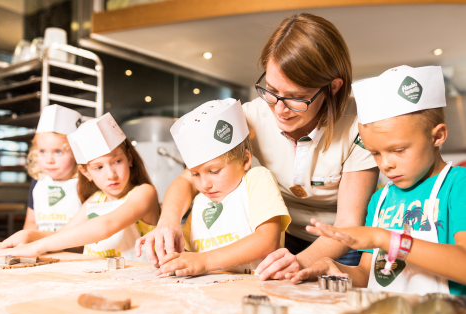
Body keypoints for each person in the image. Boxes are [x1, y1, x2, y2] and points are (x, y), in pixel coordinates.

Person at [136, 13, 379, 279]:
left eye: (296, 98)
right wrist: (168, 222)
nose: (280, 109)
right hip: (280, 238)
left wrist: (299, 263)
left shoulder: (360, 125)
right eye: (272, 91)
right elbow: (187, 178)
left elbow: (348, 223)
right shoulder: (248, 118)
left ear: (333, 87)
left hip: (340, 244)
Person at [288, 65, 466, 295]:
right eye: (375, 153)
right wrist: (337, 270)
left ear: (438, 136)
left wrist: (385, 239)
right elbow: (368, 274)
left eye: (399, 150)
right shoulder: (380, 200)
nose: (385, 164)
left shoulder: (458, 185)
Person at [0, 113, 159, 261]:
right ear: (86, 173)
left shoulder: (144, 193)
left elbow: (106, 225)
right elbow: (61, 236)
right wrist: (28, 235)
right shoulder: (96, 199)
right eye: (98, 167)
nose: (111, 175)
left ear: (129, 158)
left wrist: (36, 247)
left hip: (137, 278)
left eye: (117, 161)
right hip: (101, 280)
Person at [150, 99, 290, 276]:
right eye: (195, 174)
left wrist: (205, 261)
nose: (204, 184)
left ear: (245, 160)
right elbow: (187, 252)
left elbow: (267, 240)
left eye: (215, 171)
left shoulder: (256, 180)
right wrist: (164, 248)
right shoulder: (201, 201)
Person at [23, 104, 82, 232]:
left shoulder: (83, 183)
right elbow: (31, 223)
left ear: (76, 154)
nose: (49, 160)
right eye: (42, 151)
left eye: (58, 152)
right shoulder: (38, 182)